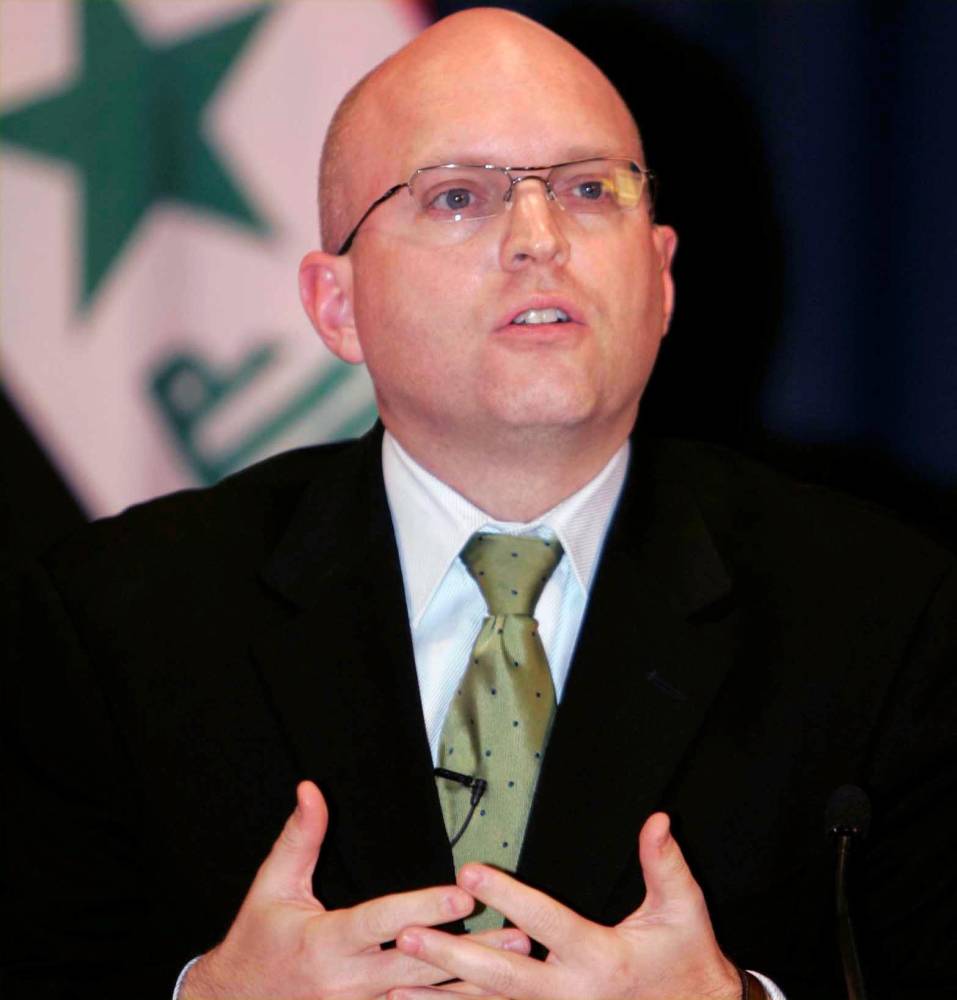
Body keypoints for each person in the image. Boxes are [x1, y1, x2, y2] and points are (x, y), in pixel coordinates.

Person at [2, 9, 955, 1000]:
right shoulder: (114, 623)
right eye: (459, 196)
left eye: (591, 191)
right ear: (336, 305)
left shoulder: (888, 617)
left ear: (663, 280)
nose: (539, 241)